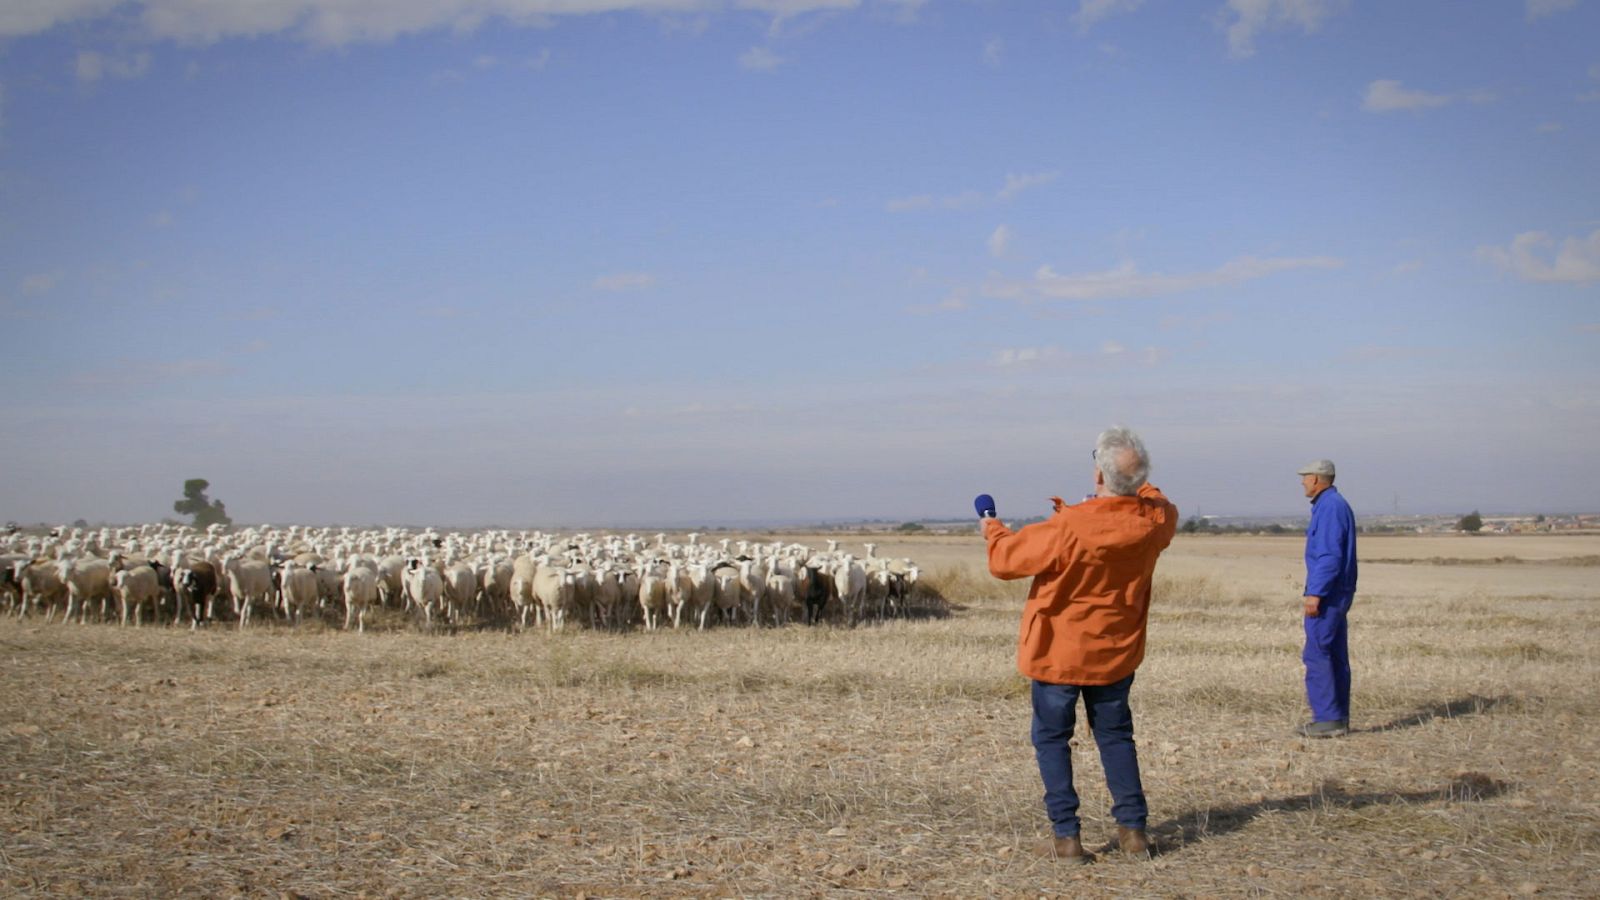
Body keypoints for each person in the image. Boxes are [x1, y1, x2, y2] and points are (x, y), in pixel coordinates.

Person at [974, 425, 1178, 864]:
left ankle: (1066, 838)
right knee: (1116, 737)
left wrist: (992, 528)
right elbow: (1159, 500)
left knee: (1052, 741)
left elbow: (1004, 562)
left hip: (1057, 654)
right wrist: (1132, 478)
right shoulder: (1154, 521)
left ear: (1098, 475)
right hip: (1115, 652)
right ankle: (1134, 834)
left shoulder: (1067, 526)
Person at [1296, 459, 1357, 738]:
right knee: (1333, 652)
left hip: (1329, 592)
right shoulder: (1332, 505)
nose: (1302, 482)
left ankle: (1328, 718)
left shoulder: (1330, 507)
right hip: (1337, 590)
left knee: (1318, 651)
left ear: (1318, 480)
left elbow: (1329, 556)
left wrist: (1315, 593)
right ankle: (1337, 717)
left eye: (1305, 477)